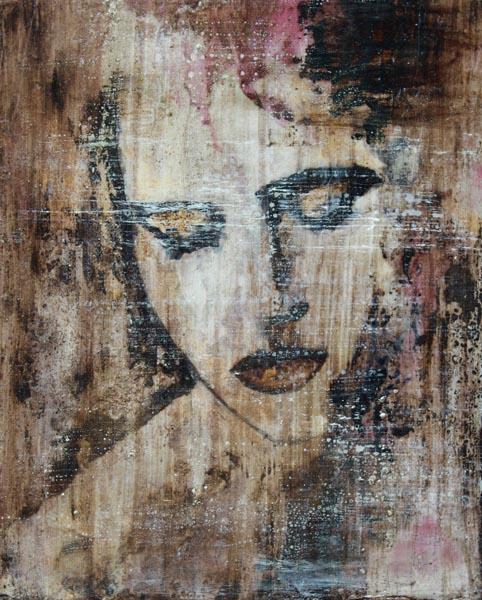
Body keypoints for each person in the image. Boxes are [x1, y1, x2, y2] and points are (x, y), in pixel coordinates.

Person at [2, 1, 479, 598]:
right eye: (185, 229)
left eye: (322, 206)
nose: (273, 300)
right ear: (130, 252)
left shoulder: (452, 497)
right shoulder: (63, 562)